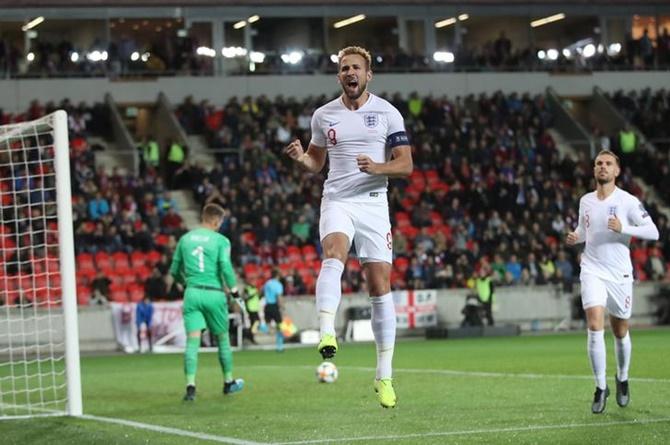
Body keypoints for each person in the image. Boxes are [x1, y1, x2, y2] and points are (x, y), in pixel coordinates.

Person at [284, 46, 413, 408]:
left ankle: (384, 376)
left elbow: (405, 166)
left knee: (379, 285)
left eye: (356, 67)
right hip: (337, 199)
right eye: (344, 68)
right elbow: (316, 162)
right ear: (339, 75)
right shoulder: (324, 115)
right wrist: (301, 159)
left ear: (368, 75)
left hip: (374, 205)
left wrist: (377, 167)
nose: (349, 72)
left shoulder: (387, 113)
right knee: (334, 255)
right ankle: (327, 330)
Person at [566, 150, 659, 414]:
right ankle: (600, 387)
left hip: (619, 273)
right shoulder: (586, 201)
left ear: (617, 171)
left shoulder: (628, 201)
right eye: (598, 163)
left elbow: (653, 231)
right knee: (595, 325)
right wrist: (576, 236)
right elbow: (586, 231)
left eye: (608, 164)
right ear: (594, 170)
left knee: (620, 331)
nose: (602, 167)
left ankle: (622, 378)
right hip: (592, 269)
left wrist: (624, 228)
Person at [169, 203, 244, 401]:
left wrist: (184, 282)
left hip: (192, 293)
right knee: (222, 340)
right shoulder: (221, 240)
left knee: (192, 342)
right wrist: (235, 291)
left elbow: (174, 270)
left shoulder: (185, 239)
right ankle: (228, 382)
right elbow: (225, 266)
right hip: (214, 293)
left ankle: (191, 387)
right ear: (216, 220)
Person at [262, 269, 285, 352]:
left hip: (267, 306)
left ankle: (260, 327)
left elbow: (262, 292)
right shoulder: (278, 284)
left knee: (267, 325)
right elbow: (278, 296)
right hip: (274, 306)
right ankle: (280, 346)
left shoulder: (267, 283)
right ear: (278, 275)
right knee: (280, 326)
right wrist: (282, 306)